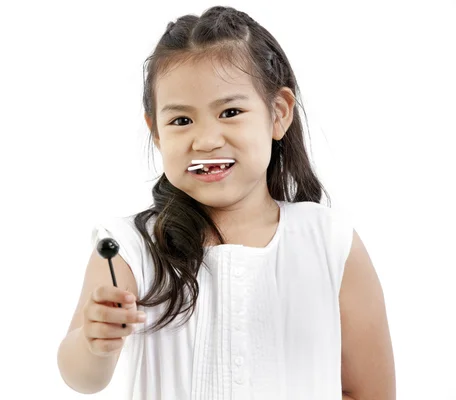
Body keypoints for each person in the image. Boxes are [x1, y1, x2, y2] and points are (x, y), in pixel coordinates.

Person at [57, 5, 395, 400]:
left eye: (230, 112)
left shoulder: (330, 242)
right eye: (181, 121)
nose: (206, 140)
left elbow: (372, 391)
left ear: (278, 113)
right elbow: (82, 377)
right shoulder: (132, 248)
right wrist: (95, 343)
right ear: (157, 133)